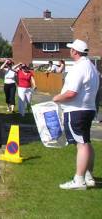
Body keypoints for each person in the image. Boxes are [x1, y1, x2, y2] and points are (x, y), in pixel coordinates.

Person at [53, 39, 99, 190]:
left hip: (77, 110)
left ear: (75, 52)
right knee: (86, 141)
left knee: (82, 144)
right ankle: (88, 175)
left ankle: (79, 179)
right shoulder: (91, 67)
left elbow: (71, 93)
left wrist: (57, 98)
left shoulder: (79, 68)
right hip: (88, 108)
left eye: (71, 49)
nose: (70, 51)